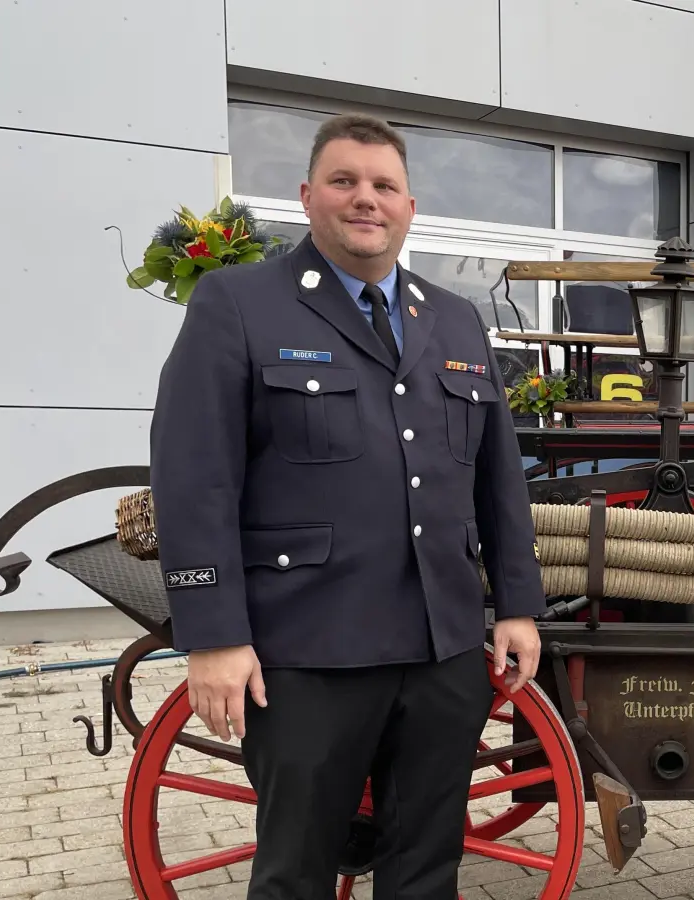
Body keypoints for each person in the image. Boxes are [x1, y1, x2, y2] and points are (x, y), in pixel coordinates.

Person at [149, 113, 547, 899]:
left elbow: (498, 477)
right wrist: (213, 635)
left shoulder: (455, 317)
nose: (365, 199)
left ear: (408, 205)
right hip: (306, 655)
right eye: (344, 181)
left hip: (441, 653)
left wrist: (518, 605)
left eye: (383, 185)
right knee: (297, 871)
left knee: (427, 869)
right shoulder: (239, 304)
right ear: (307, 197)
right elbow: (195, 476)